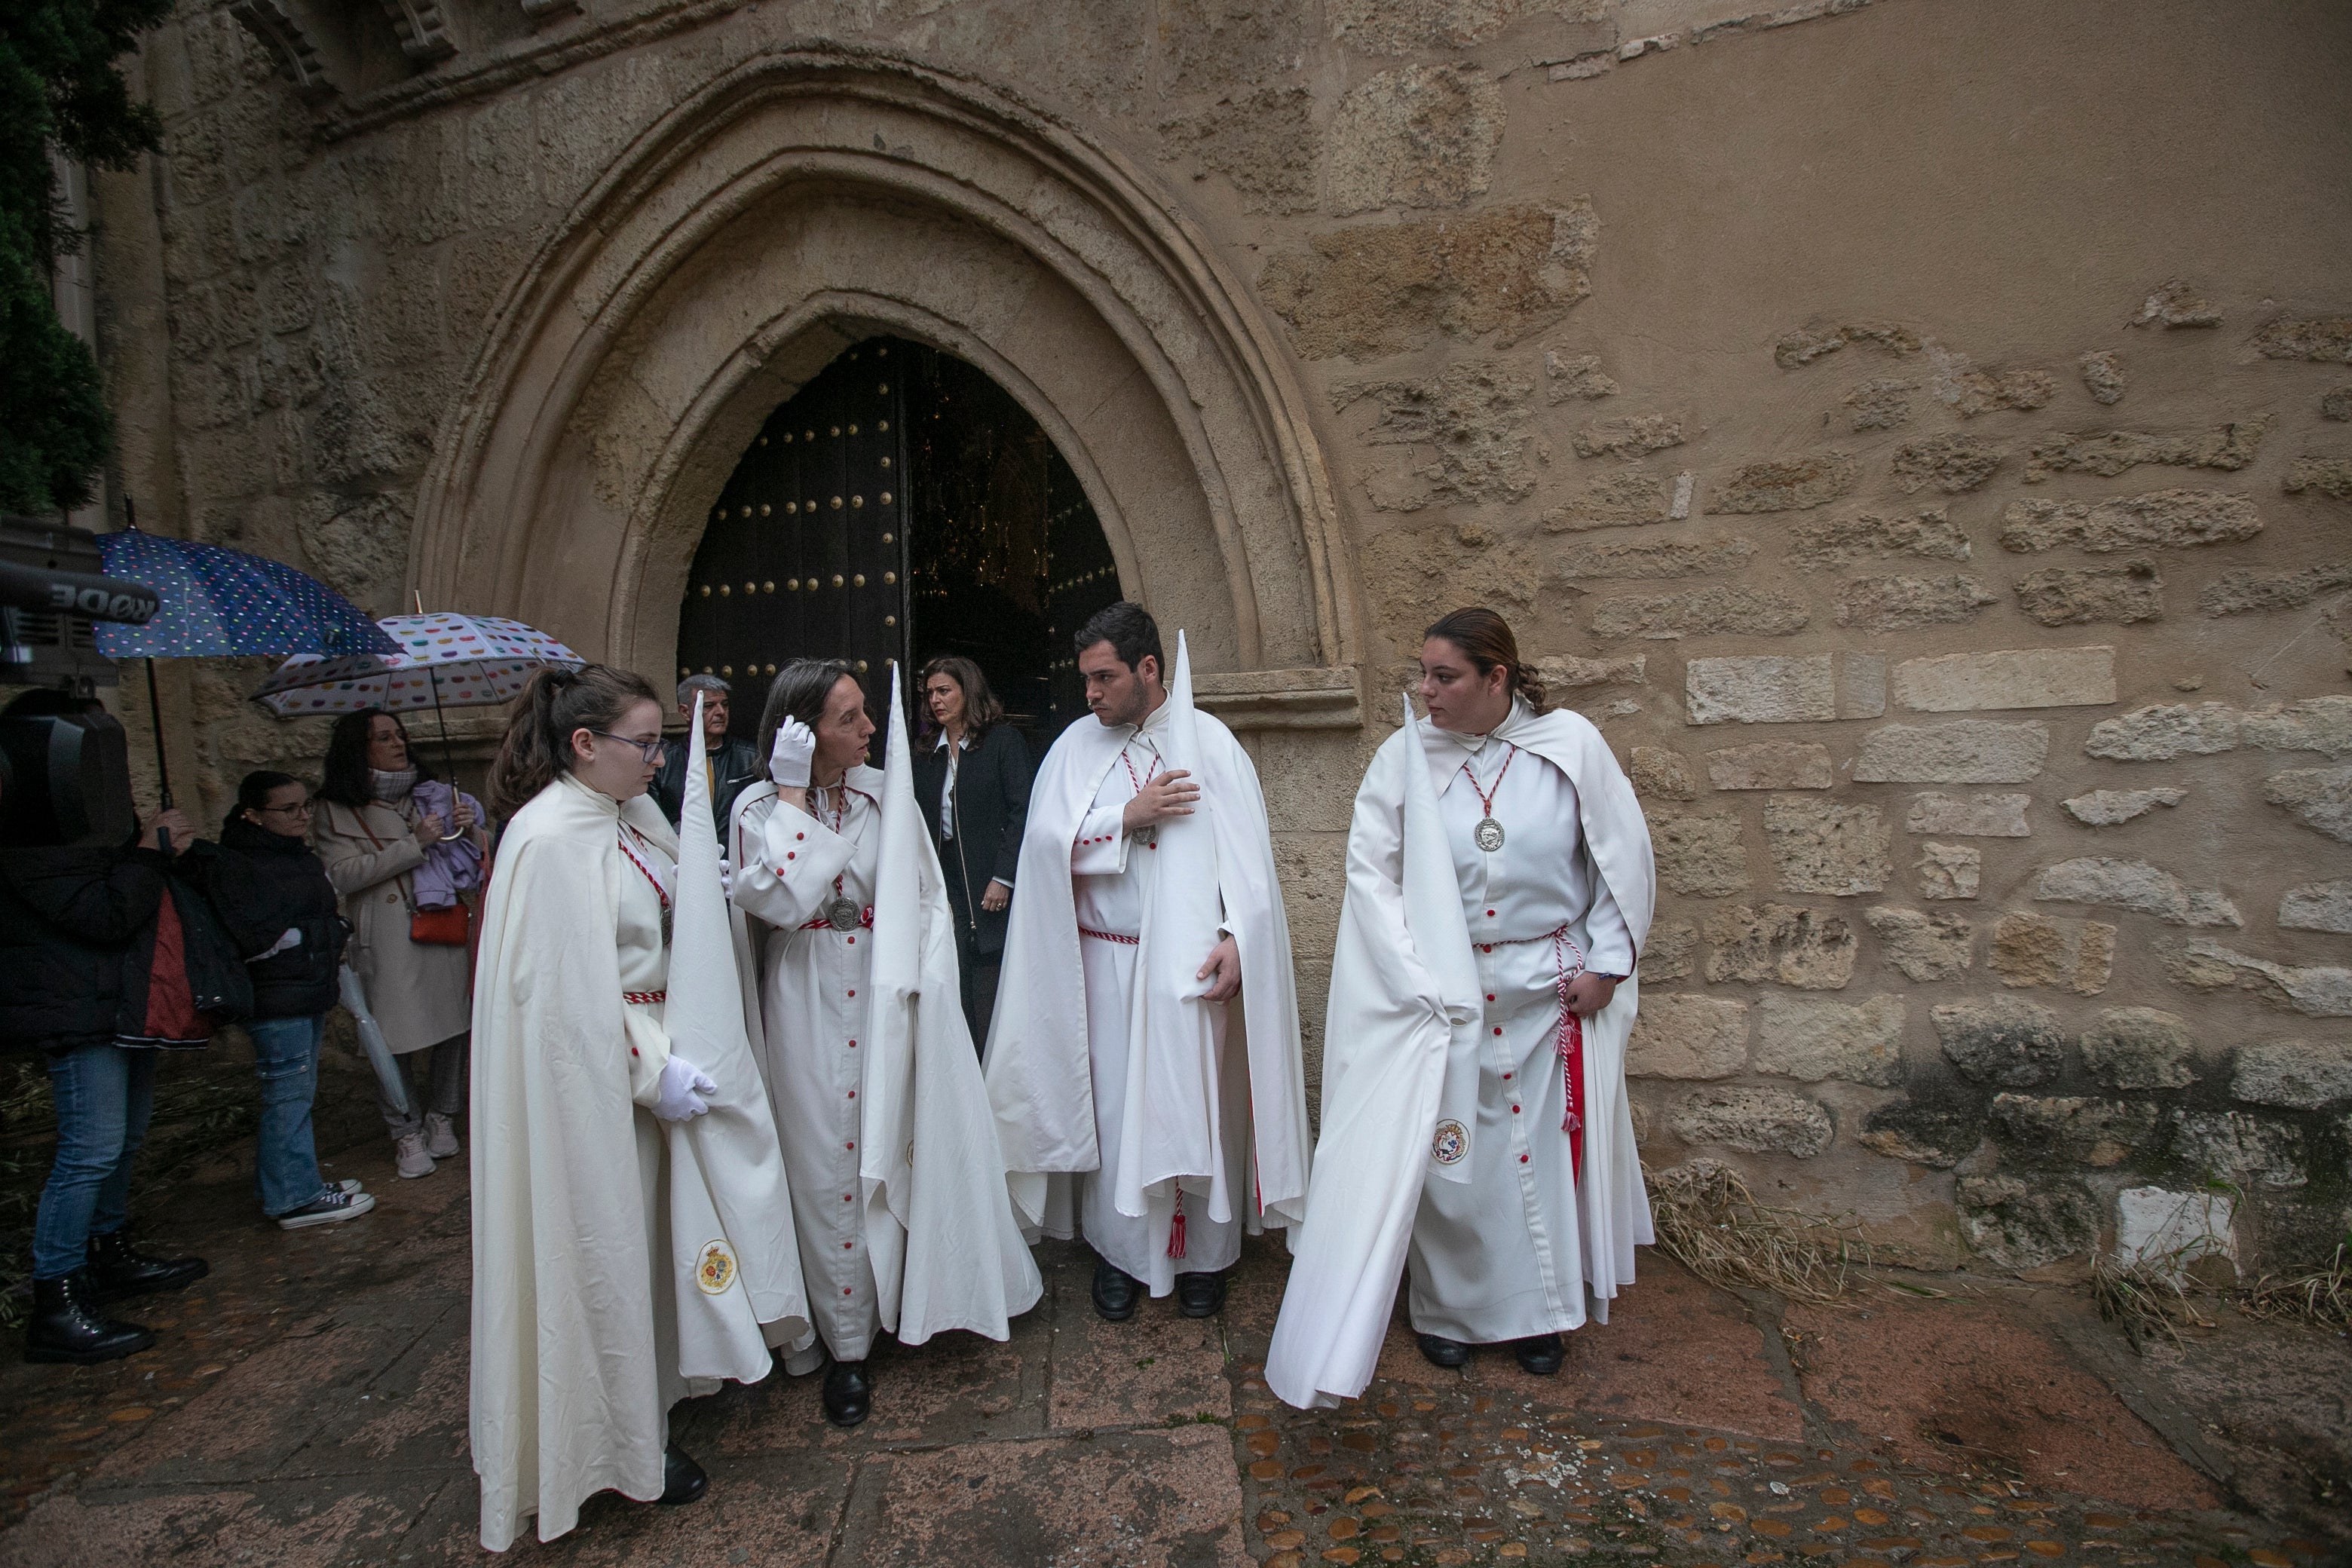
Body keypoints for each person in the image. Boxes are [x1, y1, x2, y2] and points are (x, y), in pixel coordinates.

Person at [1263, 608, 1658, 1411]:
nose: (1426, 691)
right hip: (1442, 997)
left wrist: (1608, 964)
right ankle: (1449, 1312)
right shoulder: (1402, 758)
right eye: (1423, 674)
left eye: (1444, 677)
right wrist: (1415, 981)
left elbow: (1619, 857)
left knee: (1539, 1157)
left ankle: (1542, 1315)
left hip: (1545, 993)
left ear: (1496, 678)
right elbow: (1370, 875)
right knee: (1453, 1156)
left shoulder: (1570, 747)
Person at [470, 664, 804, 1551]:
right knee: (602, 1250)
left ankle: (657, 1390)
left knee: (652, 1249)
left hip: (661, 1065)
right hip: (602, 1086)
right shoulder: (547, 839)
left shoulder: (630, 817)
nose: (659, 759)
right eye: (646, 743)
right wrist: (647, 1069)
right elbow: (559, 998)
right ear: (585, 744)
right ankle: (617, 1445)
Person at [729, 660, 1042, 1429]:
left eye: (867, 711)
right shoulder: (756, 807)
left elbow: (928, 900)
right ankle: (843, 1344)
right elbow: (778, 898)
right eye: (849, 718)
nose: (871, 727)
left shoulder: (882, 795)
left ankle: (906, 1301)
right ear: (803, 731)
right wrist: (793, 796)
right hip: (803, 999)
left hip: (884, 993)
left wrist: (923, 987)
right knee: (822, 1163)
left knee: (892, 1145)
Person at [985, 603, 1310, 1323]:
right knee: (1115, 1112)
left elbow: (1251, 870)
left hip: (1192, 973)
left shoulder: (1211, 743)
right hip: (1105, 967)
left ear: (1149, 668)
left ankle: (1204, 1260)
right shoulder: (1073, 747)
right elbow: (1042, 849)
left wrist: (1238, 938)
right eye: (1085, 679)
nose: (1090, 694)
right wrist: (1122, 820)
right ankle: (1121, 1255)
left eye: (1104, 678)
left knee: (1201, 1106)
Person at [0, 692, 235, 1364]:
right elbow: (103, 915)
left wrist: (159, 850)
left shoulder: (91, 837)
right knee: (90, 1149)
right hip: (78, 1012)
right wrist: (148, 853)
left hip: (118, 1005)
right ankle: (56, 1299)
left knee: (123, 1139)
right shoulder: (27, 844)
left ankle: (109, 1252)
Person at [191, 773, 374, 1230]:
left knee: (297, 1093)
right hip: (275, 996)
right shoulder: (239, 864)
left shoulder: (292, 854)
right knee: (288, 1096)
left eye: (304, 806)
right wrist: (322, 935)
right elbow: (257, 937)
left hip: (305, 987)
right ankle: (295, 1198)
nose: (302, 816)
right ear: (253, 815)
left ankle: (287, 1182)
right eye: (288, 809)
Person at [314, 709, 485, 1180]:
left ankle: (442, 1116)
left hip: (441, 924)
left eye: (400, 735)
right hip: (387, 936)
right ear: (359, 748)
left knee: (454, 1026)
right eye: (384, 737)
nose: (398, 744)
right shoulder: (334, 808)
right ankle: (405, 1130)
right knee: (391, 1038)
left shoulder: (433, 794)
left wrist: (468, 827)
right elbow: (342, 875)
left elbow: (478, 856)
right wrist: (414, 842)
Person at [908, 656, 1033, 1042]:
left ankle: (999, 1060)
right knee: (952, 967)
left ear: (969, 691)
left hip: (989, 871)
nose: (935, 700)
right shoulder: (926, 751)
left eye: (944, 691)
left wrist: (1004, 876)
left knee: (995, 977)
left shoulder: (1002, 743)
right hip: (944, 876)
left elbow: (1022, 811)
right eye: (930, 693)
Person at [651, 674, 761, 840]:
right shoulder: (663, 761)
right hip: (681, 852)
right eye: (709, 706)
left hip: (738, 853)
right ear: (685, 712)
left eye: (725, 704)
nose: (721, 712)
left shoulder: (751, 757)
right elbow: (653, 818)